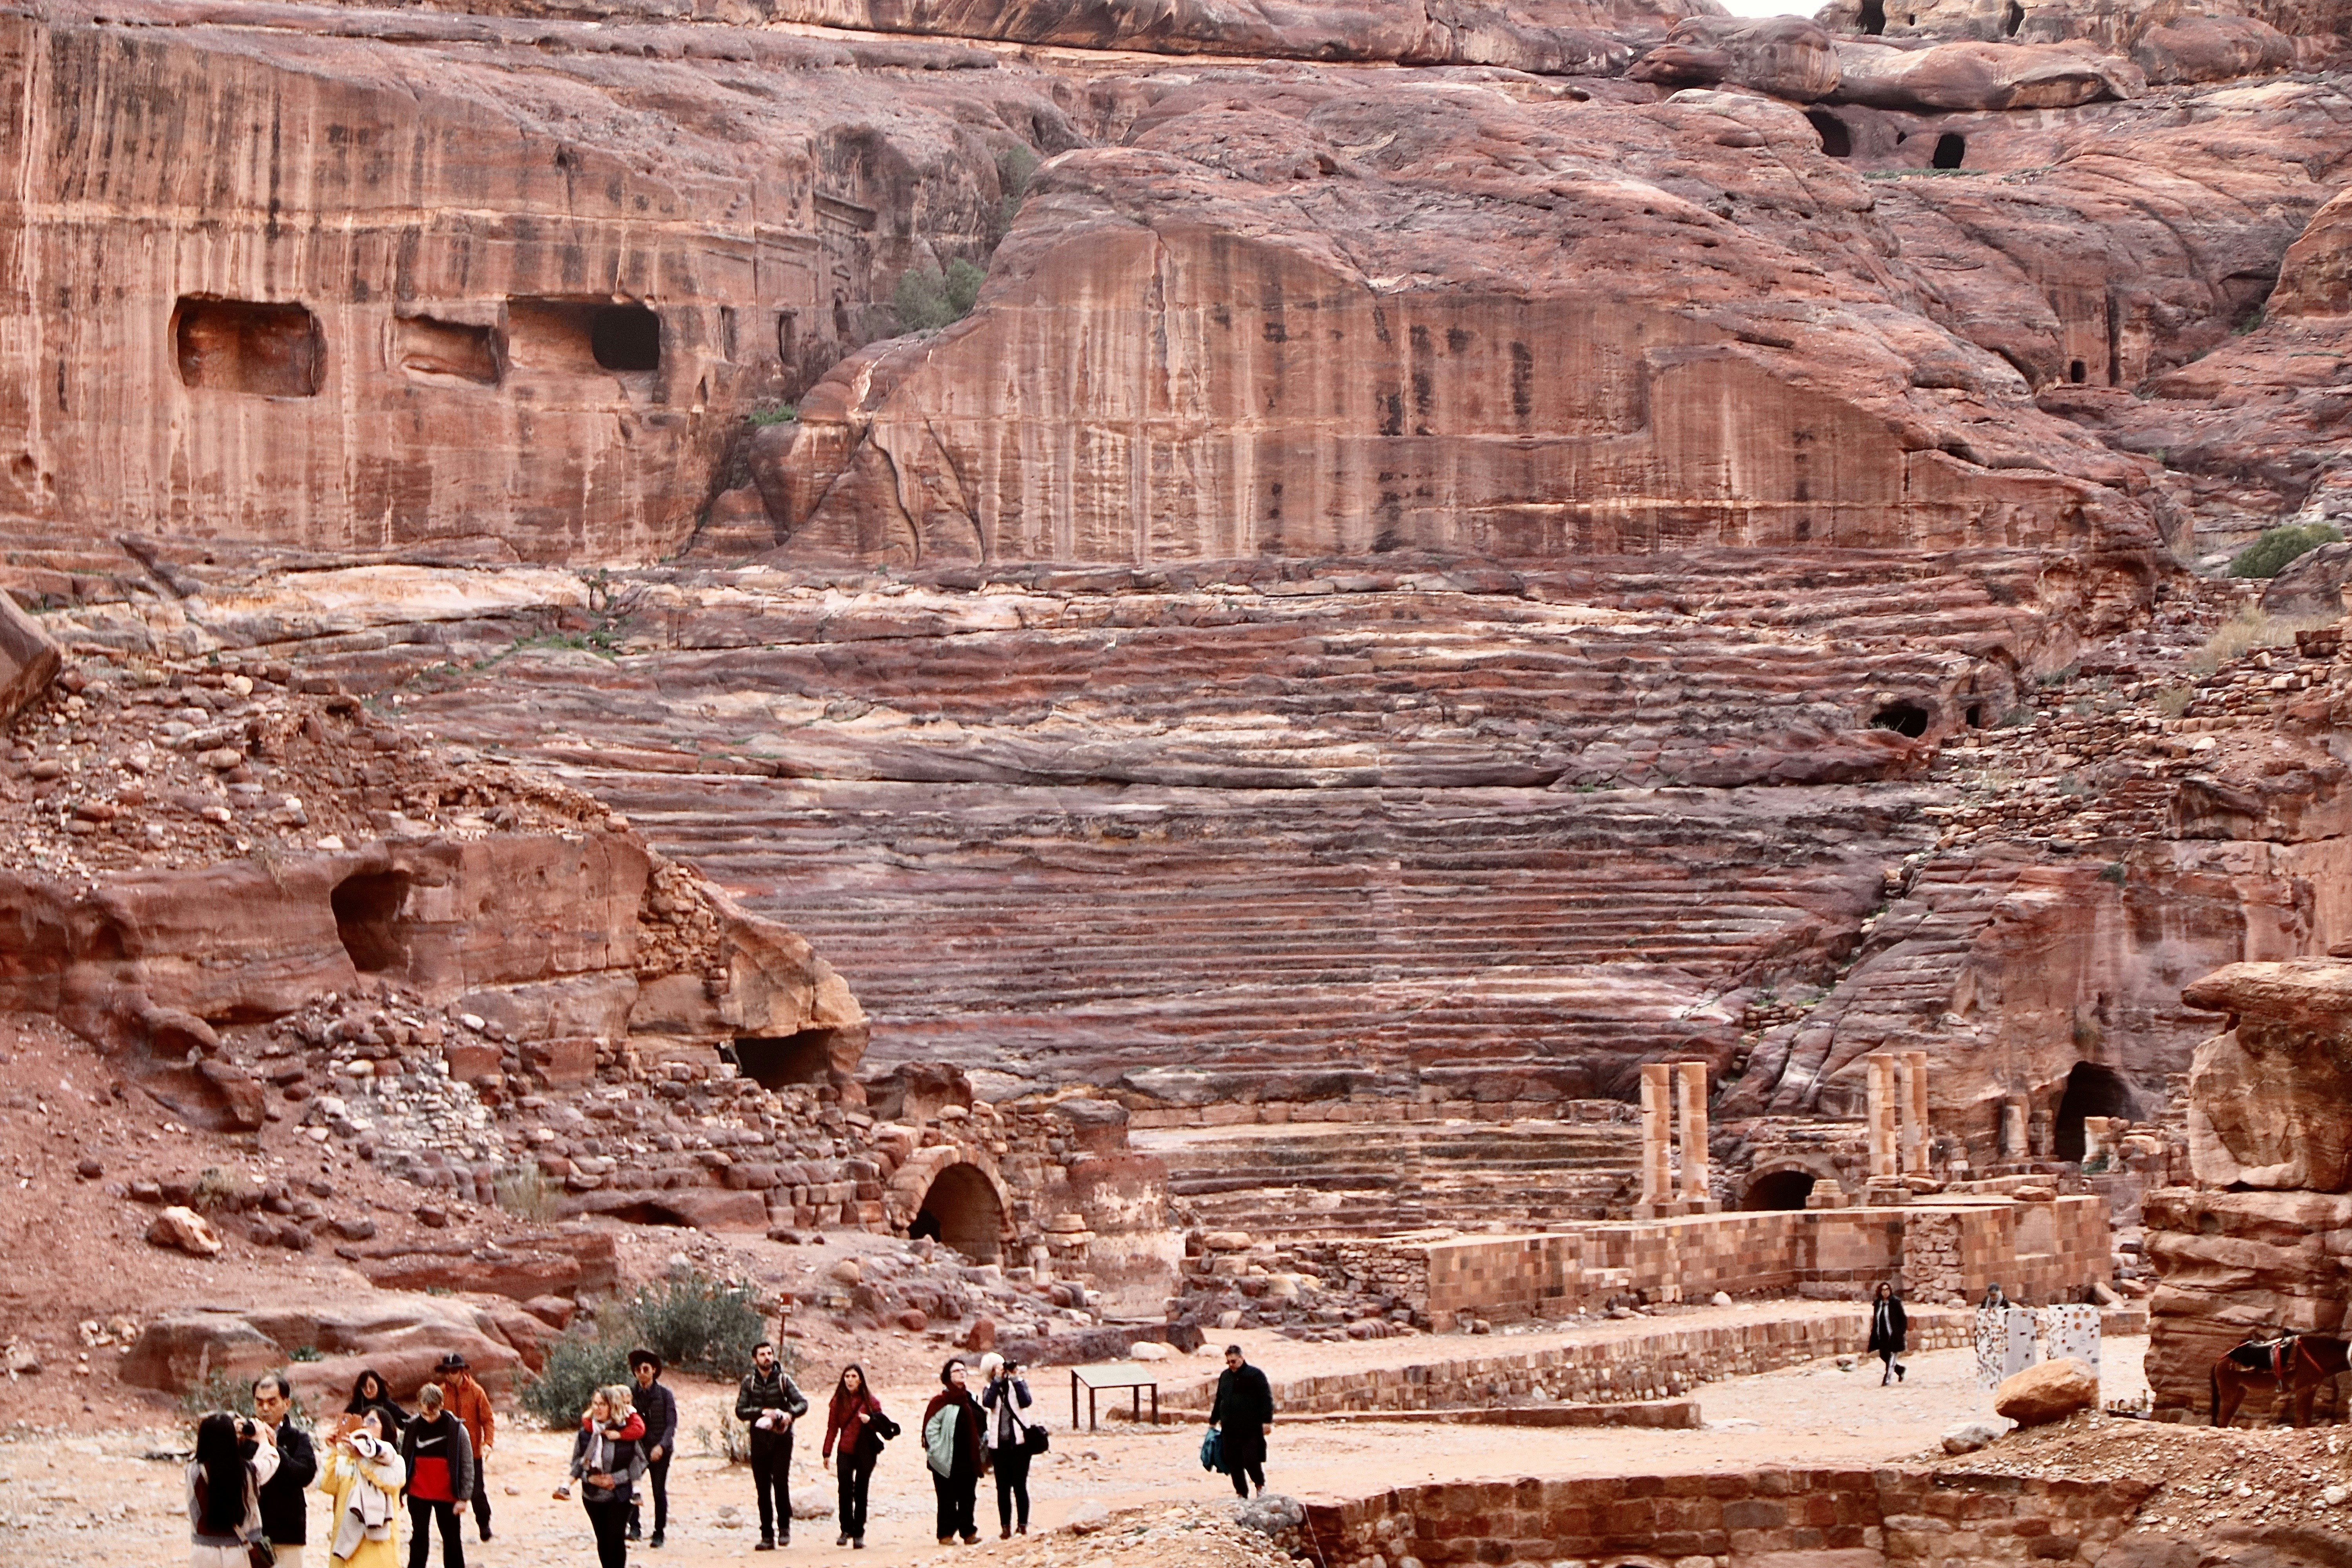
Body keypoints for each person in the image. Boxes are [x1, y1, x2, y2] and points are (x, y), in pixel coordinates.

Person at [556, 1384, 647, 1568]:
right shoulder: (586, 1434)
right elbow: (577, 1462)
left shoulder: (624, 1433)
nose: (597, 1408)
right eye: (595, 1404)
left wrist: (616, 1479)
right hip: (593, 1495)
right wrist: (590, 1478)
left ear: (612, 1407)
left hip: (619, 1494)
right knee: (603, 1539)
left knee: (616, 1538)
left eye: (602, 1404)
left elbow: (640, 1461)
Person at [735, 1340, 809, 1551]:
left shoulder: (784, 1380)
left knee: (781, 1482)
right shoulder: (749, 1383)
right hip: (759, 1440)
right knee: (762, 1489)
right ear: (755, 1359)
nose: (767, 1357)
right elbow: (740, 1411)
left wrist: (789, 1415)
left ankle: (784, 1527)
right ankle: (767, 1535)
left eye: (770, 1354)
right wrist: (761, 1412)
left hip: (782, 1439)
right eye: (762, 1354)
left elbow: (802, 1403)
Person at [189, 1409, 280, 1568]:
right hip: (238, 1552)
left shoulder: (193, 1471)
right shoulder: (247, 1472)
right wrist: (263, 1441)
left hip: (203, 1553)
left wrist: (227, 1433)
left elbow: (205, 1456)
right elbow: (271, 1460)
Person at [319, 1408, 408, 1568]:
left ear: (386, 1429)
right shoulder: (346, 1461)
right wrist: (332, 1450)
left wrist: (362, 1460)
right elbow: (325, 1484)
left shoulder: (396, 1462)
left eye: (372, 1421)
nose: (365, 1426)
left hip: (377, 1553)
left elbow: (392, 1482)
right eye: (363, 1421)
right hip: (345, 1550)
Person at [399, 1383, 474, 1568]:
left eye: (433, 1413)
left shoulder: (456, 1430)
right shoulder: (413, 1428)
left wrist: (464, 1498)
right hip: (418, 1494)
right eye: (425, 1414)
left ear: (442, 1405)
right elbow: (403, 1460)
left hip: (447, 1495)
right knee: (419, 1539)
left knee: (452, 1541)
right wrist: (399, 1491)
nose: (429, 1418)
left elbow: (467, 1464)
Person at [822, 1363, 892, 1550]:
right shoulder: (838, 1401)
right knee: (844, 1490)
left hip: (865, 1452)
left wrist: (870, 1421)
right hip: (845, 1450)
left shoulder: (871, 1401)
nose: (850, 1380)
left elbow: (883, 1425)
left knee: (862, 1491)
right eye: (847, 1377)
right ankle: (846, 1529)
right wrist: (827, 1453)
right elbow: (832, 1428)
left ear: (860, 1380)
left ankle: (859, 1532)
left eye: (854, 1376)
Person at [254, 1372, 320, 1568]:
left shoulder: (299, 1439)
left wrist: (276, 1451)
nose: (265, 1408)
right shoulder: (244, 1439)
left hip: (288, 1533)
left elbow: (305, 1474)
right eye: (259, 1402)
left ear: (287, 1404)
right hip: (251, 1533)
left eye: (272, 1402)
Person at [922, 1357, 987, 1546]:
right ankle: (946, 1535)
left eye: (963, 1370)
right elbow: (930, 1429)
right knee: (947, 1498)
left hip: (969, 1458)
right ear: (948, 1376)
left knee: (968, 1496)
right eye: (956, 1371)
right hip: (945, 1458)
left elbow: (981, 1420)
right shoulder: (941, 1402)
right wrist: (936, 1452)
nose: (961, 1373)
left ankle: (968, 1533)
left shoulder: (971, 1399)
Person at [434, 1354, 496, 1545]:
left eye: (454, 1371)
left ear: (462, 1371)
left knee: (477, 1491)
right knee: (450, 1491)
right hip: (448, 1452)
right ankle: (453, 1531)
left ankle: (484, 1524)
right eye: (448, 1371)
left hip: (473, 1452)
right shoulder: (440, 1393)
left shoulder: (477, 1392)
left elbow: (487, 1419)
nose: (451, 1375)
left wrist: (488, 1443)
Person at [978, 1352, 1036, 1539]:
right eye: (997, 1366)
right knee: (1002, 1488)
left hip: (1020, 1443)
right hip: (999, 1445)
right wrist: (996, 1381)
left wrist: (1016, 1378)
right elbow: (988, 1403)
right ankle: (1005, 1528)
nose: (1002, 1369)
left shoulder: (1018, 1384)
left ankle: (1023, 1525)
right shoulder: (989, 1388)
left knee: (1020, 1485)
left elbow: (1026, 1402)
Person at [626, 1349, 677, 1550]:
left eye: (646, 1369)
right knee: (632, 1487)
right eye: (638, 1370)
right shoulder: (631, 1395)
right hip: (637, 1449)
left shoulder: (665, 1395)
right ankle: (635, 1527)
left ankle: (659, 1532)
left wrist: (662, 1447)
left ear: (654, 1370)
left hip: (660, 1450)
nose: (642, 1373)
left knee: (658, 1491)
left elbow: (671, 1424)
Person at [1208, 1345, 1274, 1499]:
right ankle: (1241, 1493)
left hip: (1250, 1427)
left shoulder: (1256, 1375)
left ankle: (1260, 1485)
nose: (1231, 1365)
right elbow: (1220, 1399)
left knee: (1251, 1459)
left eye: (1234, 1362)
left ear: (1242, 1358)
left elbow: (1266, 1398)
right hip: (1229, 1427)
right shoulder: (1225, 1377)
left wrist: (1267, 1421)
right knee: (1233, 1461)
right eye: (1228, 1362)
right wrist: (1213, 1420)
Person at [345, 1370, 408, 1443]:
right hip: (358, 1443)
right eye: (364, 1387)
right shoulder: (354, 1407)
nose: (368, 1390)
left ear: (378, 1386)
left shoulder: (388, 1405)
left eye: (372, 1387)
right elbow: (344, 1423)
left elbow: (407, 1423)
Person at [1869, 1282, 1909, 1386]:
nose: (1886, 1292)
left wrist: (1900, 1332)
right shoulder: (1878, 1304)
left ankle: (1887, 1380)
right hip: (1882, 1335)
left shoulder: (1895, 1303)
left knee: (1892, 1357)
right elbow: (1876, 1319)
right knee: (1883, 1355)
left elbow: (1903, 1318)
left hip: (1894, 1336)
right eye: (1883, 1290)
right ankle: (1900, 1370)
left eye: (1887, 1290)